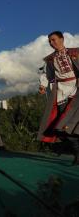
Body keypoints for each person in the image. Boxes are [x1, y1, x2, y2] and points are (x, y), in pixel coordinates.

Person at [38, 31, 79, 165]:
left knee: (73, 123)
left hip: (76, 89)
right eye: (50, 41)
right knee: (62, 126)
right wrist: (43, 86)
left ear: (62, 39)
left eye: (54, 39)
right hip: (61, 91)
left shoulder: (75, 52)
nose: (52, 43)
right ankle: (77, 151)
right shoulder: (50, 59)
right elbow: (46, 75)